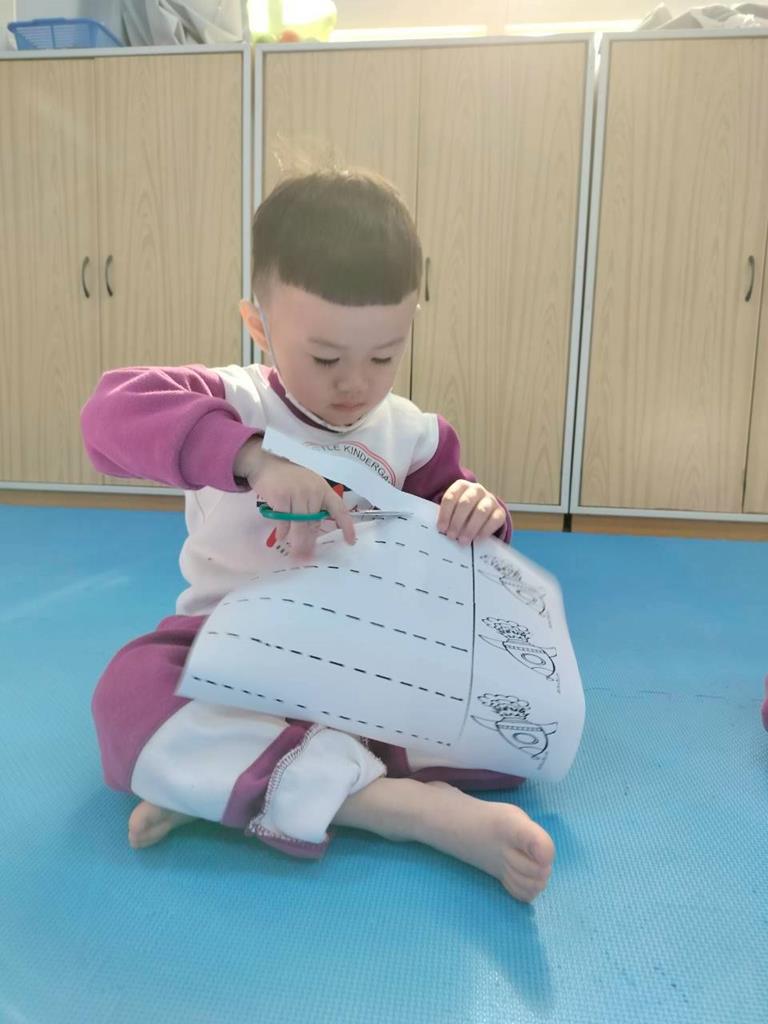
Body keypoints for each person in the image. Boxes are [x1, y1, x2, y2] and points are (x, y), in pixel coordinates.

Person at [80, 170, 555, 902]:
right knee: (126, 700)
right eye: (326, 358)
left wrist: (478, 513)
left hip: (360, 664)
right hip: (230, 653)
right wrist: (253, 459)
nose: (354, 384)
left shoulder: (416, 435)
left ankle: (231, 782)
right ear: (259, 324)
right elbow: (107, 417)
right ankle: (399, 810)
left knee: (515, 733)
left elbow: (468, 562)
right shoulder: (232, 400)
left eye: (384, 355)